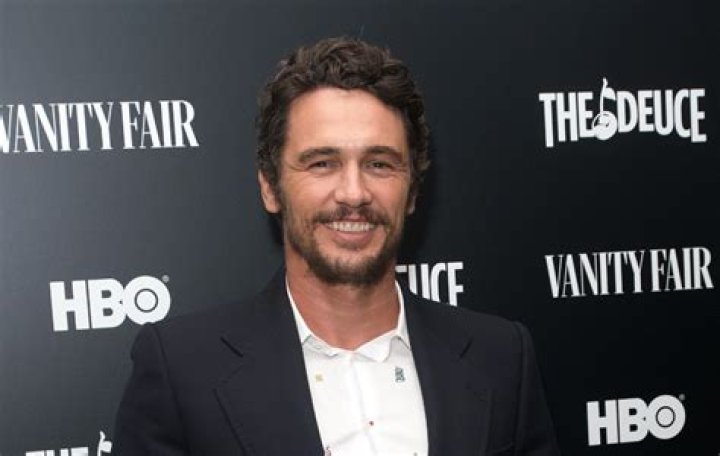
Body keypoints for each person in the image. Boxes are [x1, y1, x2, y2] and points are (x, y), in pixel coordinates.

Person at [113, 36, 560, 456]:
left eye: (379, 164)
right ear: (270, 187)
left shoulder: (502, 358)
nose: (353, 193)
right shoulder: (182, 371)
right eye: (322, 163)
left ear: (413, 191)